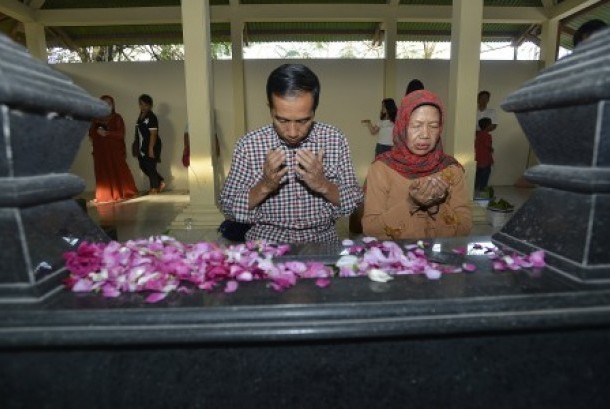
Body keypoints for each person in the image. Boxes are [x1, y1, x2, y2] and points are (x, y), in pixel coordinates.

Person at [220, 63, 363, 243]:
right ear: (270, 108)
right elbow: (228, 207)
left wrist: (323, 185)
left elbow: (355, 201)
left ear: (314, 110)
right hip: (266, 242)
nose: (293, 132)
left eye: (303, 121)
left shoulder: (334, 140)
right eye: (282, 120)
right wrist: (264, 186)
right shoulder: (249, 145)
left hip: (322, 242)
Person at [362, 89, 472, 240]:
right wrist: (411, 204)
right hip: (394, 258)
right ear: (402, 126)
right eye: (416, 125)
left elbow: (464, 228)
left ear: (440, 128)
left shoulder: (451, 170)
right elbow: (371, 229)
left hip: (437, 259)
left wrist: (436, 206)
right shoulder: (382, 168)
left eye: (433, 126)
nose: (425, 134)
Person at [88, 95, 138, 204]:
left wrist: (107, 133)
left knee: (119, 170)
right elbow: (91, 134)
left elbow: (121, 134)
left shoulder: (117, 118)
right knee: (103, 172)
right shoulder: (95, 119)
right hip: (101, 152)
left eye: (109, 103)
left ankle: (124, 192)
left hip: (115, 151)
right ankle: (106, 195)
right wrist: (97, 132)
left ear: (113, 105)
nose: (107, 105)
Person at [133, 94, 165, 194]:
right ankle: (160, 181)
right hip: (142, 146)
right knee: (143, 166)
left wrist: (151, 148)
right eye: (141, 104)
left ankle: (154, 188)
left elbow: (153, 134)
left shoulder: (151, 117)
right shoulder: (141, 116)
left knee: (150, 166)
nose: (143, 107)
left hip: (151, 144)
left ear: (150, 105)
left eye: (145, 105)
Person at [475, 117, 494, 194]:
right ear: (487, 125)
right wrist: (492, 149)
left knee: (478, 175)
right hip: (485, 160)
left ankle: (476, 188)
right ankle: (482, 189)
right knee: (485, 175)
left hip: (478, 159)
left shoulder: (478, 134)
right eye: (491, 124)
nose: (492, 125)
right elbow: (488, 146)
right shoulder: (487, 135)